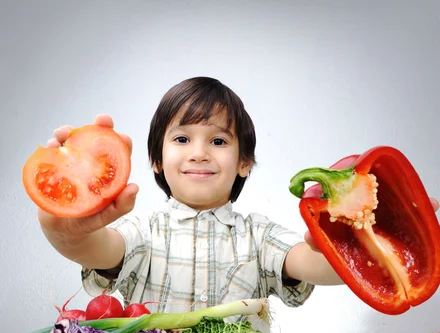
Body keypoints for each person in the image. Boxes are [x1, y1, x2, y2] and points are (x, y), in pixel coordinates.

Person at [37, 76, 439, 317]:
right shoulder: (144, 229)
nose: (199, 152)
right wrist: (69, 232)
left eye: (217, 140)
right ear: (157, 160)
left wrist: (391, 237)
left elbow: (318, 264)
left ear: (244, 162)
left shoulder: (258, 236)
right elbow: (97, 248)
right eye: (181, 138)